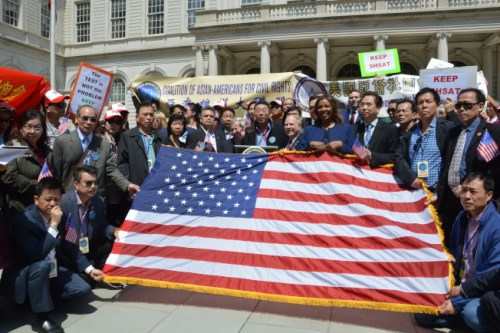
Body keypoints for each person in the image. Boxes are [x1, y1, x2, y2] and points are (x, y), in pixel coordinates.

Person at [1, 177, 92, 333]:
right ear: (36, 200)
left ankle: (39, 300)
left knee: (82, 289)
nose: (53, 204)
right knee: (41, 266)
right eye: (48, 199)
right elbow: (37, 254)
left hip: (53, 268)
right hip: (26, 272)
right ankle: (40, 317)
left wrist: (89, 269)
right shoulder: (23, 221)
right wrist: (53, 226)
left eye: (57, 199)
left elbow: (70, 245)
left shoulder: (60, 214)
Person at [415, 172, 500, 332]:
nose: (466, 196)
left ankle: (462, 316)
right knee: (422, 314)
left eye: (473, 192)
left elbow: (490, 278)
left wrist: (458, 301)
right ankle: (459, 319)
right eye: (464, 190)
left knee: (471, 314)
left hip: (483, 292)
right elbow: (454, 254)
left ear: (489, 195)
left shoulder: (496, 228)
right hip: (459, 286)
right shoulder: (461, 218)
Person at [437, 88, 500, 245]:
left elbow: (495, 171)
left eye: (467, 105)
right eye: (458, 105)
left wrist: (466, 189)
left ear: (480, 106)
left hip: (477, 201)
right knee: (452, 244)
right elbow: (447, 164)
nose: (462, 109)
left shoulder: (492, 132)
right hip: (450, 200)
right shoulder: (452, 132)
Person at [50, 105, 138, 198]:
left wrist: (127, 185)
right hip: (70, 196)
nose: (88, 122)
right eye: (85, 118)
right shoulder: (62, 141)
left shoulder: (103, 144)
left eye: (93, 120)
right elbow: (56, 172)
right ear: (76, 118)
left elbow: (111, 169)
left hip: (96, 198)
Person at [393, 88, 457, 194]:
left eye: (428, 101)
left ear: (437, 105)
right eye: (420, 102)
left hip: (438, 192)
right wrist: (410, 178)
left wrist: (451, 113)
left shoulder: (447, 129)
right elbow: (399, 158)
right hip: (415, 190)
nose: (424, 106)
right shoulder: (410, 133)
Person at [60, 166, 119, 277]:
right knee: (85, 285)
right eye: (88, 183)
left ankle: (101, 272)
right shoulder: (63, 203)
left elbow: (103, 225)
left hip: (88, 247)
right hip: (68, 251)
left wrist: (114, 232)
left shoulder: (98, 201)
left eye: (95, 183)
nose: (93, 187)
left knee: (115, 241)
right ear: (76, 185)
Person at [2, 110, 51, 215]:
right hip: (20, 208)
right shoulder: (10, 147)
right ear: (21, 128)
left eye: (37, 127)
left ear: (43, 129)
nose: (32, 131)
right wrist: (37, 186)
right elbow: (8, 177)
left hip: (45, 208)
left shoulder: (47, 151)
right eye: (28, 127)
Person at [118, 101, 163, 187]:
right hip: (136, 187)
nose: (149, 117)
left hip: (156, 186)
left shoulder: (160, 138)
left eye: (151, 114)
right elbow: (122, 164)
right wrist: (128, 186)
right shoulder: (127, 137)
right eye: (145, 114)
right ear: (137, 117)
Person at [353, 92, 399, 166]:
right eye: (362, 104)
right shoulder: (354, 129)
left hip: (377, 174)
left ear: (378, 108)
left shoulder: (390, 130)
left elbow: (394, 156)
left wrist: (372, 156)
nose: (364, 108)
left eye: (368, 104)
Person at [448, 266, 500, 332]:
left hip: (476, 295)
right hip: (472, 293)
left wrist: (457, 302)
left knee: (471, 313)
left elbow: (490, 280)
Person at [98, 110, 125, 227]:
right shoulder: (98, 139)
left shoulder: (123, 139)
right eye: (111, 121)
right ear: (105, 122)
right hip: (102, 186)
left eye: (118, 122)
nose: (114, 124)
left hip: (118, 187)